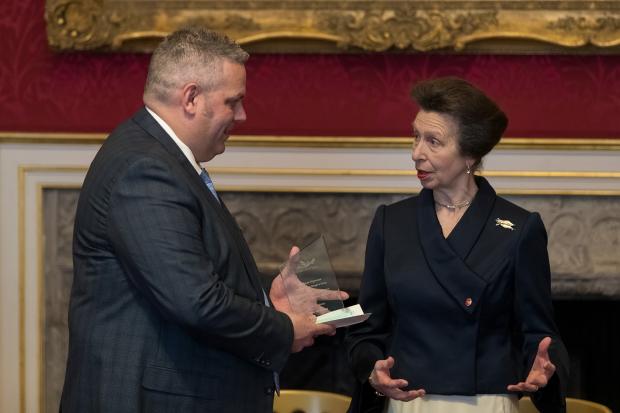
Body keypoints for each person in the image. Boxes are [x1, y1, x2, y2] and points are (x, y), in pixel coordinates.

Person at [59, 28, 341, 413]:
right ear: (191, 98)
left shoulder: (160, 159)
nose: (242, 116)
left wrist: (267, 303)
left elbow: (190, 281)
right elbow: (196, 302)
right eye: (233, 102)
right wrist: (286, 327)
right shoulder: (145, 169)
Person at [345, 77, 569, 413]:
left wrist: (544, 368)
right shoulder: (391, 222)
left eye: (433, 142)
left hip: (485, 402)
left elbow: (537, 333)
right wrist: (372, 368)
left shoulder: (521, 228)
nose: (416, 153)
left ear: (470, 154)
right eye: (415, 137)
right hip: (408, 402)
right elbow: (366, 329)